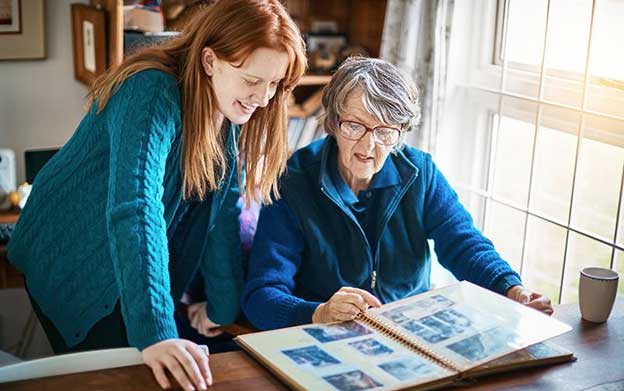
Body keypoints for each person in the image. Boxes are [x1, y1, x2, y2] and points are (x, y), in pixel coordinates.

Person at [7, 1, 305, 390]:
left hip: (124, 250)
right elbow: (136, 207)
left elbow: (221, 217)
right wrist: (157, 333)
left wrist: (222, 306)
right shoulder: (149, 91)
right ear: (210, 60)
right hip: (70, 252)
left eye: (274, 84)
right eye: (252, 80)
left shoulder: (227, 114)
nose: (263, 98)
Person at [242, 57, 553, 333]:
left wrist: (512, 289)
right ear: (333, 123)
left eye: (384, 132)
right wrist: (319, 312)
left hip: (407, 331)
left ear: (401, 134)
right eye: (354, 126)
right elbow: (261, 296)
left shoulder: (419, 173)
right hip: (327, 334)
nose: (367, 147)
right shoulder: (294, 180)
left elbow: (464, 244)